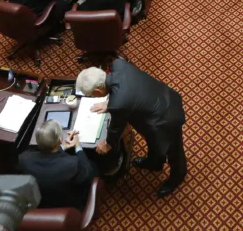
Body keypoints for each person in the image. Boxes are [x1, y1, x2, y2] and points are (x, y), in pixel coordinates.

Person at [77, 57, 187, 197]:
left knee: (174, 151)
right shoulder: (118, 64)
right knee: (152, 139)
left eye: (92, 95)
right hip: (156, 103)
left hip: (166, 118)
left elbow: (116, 127)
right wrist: (110, 104)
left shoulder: (119, 103)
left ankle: (178, 175)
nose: (93, 97)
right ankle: (155, 162)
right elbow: (126, 89)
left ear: (98, 91)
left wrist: (108, 144)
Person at [17, 119, 97, 210]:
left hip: (39, 203)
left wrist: (62, 147)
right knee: (92, 165)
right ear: (60, 140)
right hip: (68, 205)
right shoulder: (71, 164)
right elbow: (87, 176)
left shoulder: (24, 159)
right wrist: (78, 146)